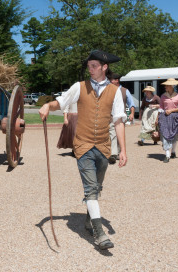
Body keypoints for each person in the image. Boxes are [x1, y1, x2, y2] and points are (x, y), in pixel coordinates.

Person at [39, 50, 127, 250]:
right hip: (83, 146)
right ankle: (99, 234)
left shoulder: (115, 92)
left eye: (94, 66)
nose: (91, 69)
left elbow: (119, 121)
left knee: (97, 187)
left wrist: (122, 149)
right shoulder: (79, 87)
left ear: (104, 67)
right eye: (89, 66)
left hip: (104, 148)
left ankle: (89, 220)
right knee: (90, 189)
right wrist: (47, 106)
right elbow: (60, 102)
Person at [107, 72, 135, 164]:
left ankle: (118, 152)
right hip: (110, 116)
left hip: (121, 116)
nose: (109, 81)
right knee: (112, 133)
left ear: (117, 80)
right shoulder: (108, 90)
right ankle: (114, 154)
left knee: (119, 134)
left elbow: (131, 104)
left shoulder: (124, 91)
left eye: (111, 80)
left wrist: (132, 114)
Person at [157, 78, 178, 163]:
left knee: (175, 136)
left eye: (167, 85)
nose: (165, 87)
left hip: (175, 118)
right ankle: (167, 155)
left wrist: (171, 110)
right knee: (165, 135)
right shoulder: (163, 96)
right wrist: (157, 118)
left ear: (171, 86)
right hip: (164, 118)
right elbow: (161, 108)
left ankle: (173, 151)